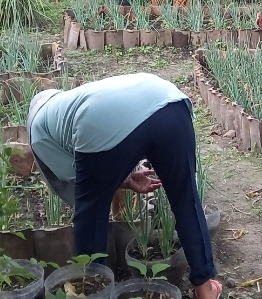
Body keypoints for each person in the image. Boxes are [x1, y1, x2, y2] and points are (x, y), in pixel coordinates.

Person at [26, 73, 222, 299]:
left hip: (101, 121)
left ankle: (93, 290)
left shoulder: (38, 130)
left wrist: (119, 178)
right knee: (186, 200)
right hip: (170, 102)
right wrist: (126, 179)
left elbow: (80, 178)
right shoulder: (72, 99)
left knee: (91, 210)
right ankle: (205, 289)